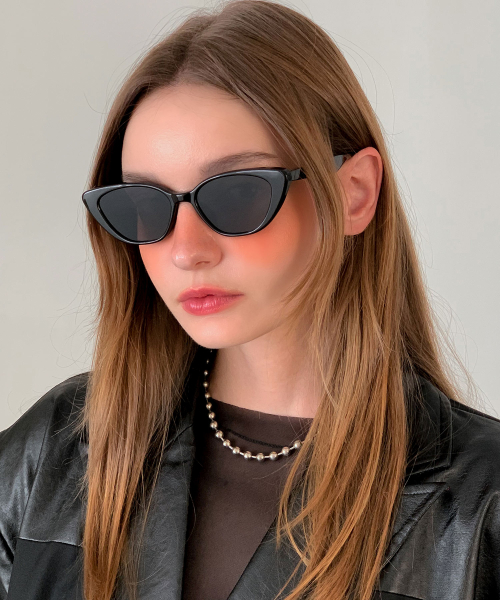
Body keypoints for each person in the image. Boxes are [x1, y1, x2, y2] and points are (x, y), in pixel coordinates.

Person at [1, 1, 499, 599]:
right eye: (146, 206)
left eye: (236, 195)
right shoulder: (55, 455)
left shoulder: (481, 506)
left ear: (354, 195)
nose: (187, 251)